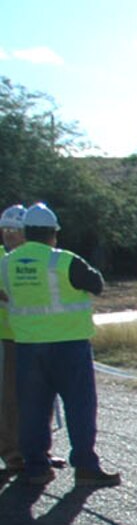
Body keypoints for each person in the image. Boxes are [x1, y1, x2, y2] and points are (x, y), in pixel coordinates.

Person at [7, 202, 119, 488]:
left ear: (26, 232)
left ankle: (36, 468)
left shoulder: (7, 263)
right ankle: (85, 466)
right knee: (80, 407)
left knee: (32, 410)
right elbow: (96, 284)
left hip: (27, 346)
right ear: (53, 234)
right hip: (69, 346)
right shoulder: (64, 260)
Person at [0, 203, 23, 473]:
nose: (8, 234)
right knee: (9, 398)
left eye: (14, 230)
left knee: (37, 396)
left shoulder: (34, 260)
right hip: (6, 336)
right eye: (5, 229)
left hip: (33, 336)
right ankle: (11, 453)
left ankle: (37, 450)